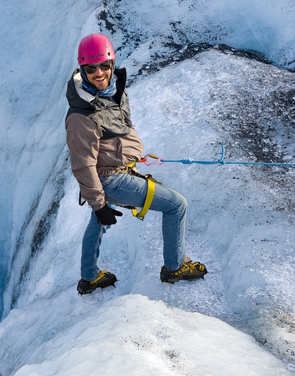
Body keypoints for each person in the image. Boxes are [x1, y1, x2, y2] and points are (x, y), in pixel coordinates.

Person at [65, 34, 207, 295]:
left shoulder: (112, 90)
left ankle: (89, 278)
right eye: (91, 68)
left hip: (116, 170)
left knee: (98, 223)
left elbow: (116, 131)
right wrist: (98, 204)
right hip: (109, 179)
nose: (99, 73)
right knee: (176, 205)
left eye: (104, 66)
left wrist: (127, 155)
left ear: (112, 63)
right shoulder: (81, 115)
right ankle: (174, 268)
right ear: (82, 70)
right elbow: (83, 166)